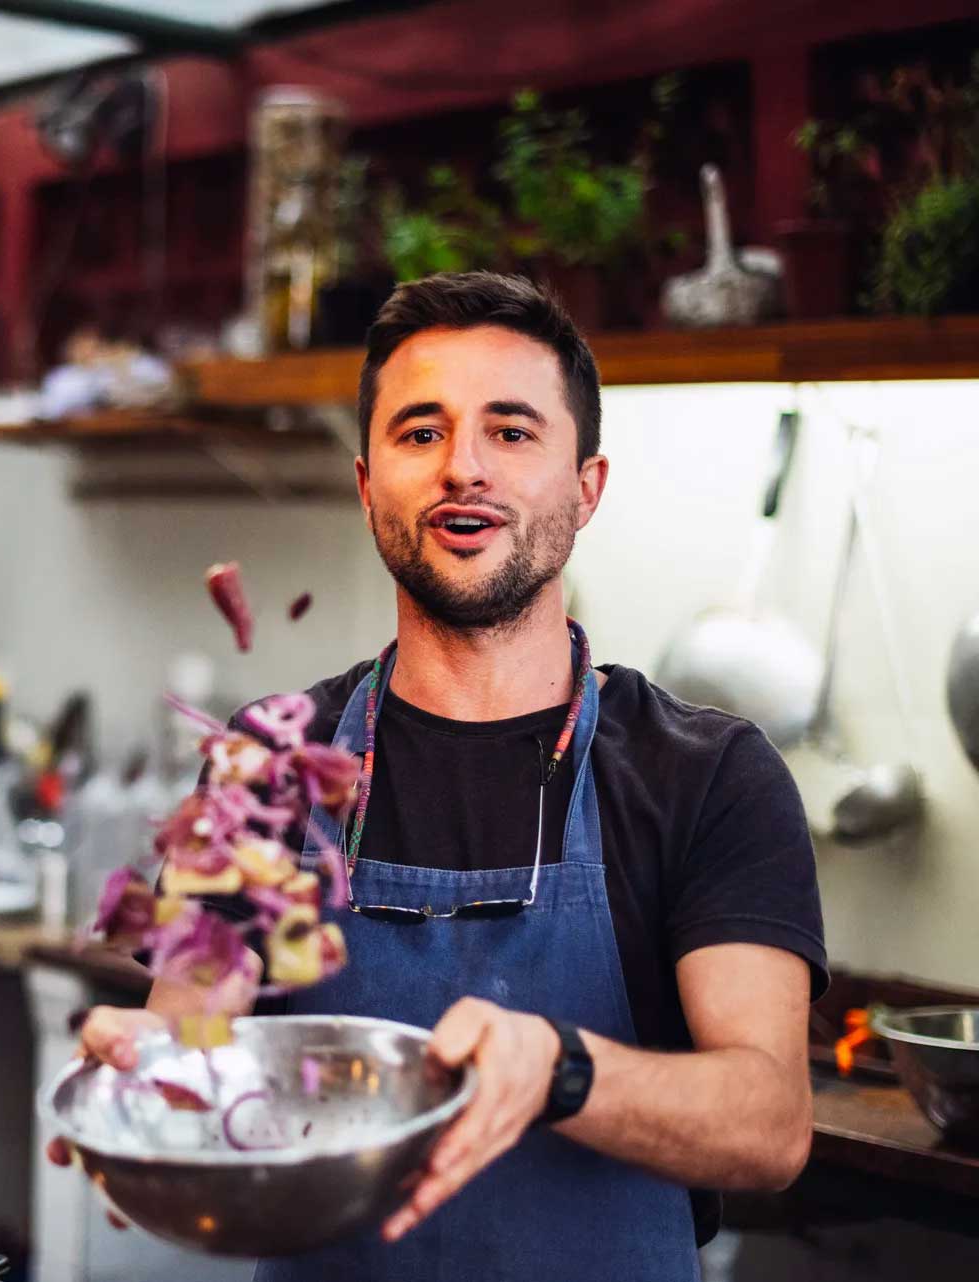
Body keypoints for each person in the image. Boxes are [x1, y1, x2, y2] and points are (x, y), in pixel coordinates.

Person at [49, 272, 825, 1280]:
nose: (464, 468)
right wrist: (141, 1079)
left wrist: (560, 1066)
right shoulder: (272, 763)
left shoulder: (707, 774)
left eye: (511, 432)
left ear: (586, 487)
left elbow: (770, 1125)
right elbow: (190, 1025)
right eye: (421, 433)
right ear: (370, 484)